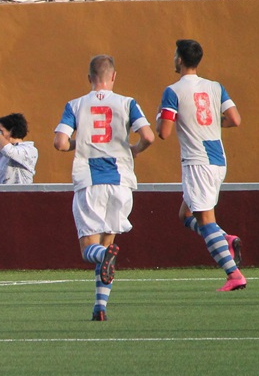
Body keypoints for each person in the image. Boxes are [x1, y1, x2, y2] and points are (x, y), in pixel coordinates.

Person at [54, 55, 154, 321]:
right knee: (108, 247)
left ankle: (104, 260)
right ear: (114, 77)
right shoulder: (127, 103)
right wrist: (133, 150)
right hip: (121, 183)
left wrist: (81, 142)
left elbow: (60, 143)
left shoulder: (75, 105)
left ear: (89, 78)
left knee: (91, 250)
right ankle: (100, 308)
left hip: (90, 182)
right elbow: (148, 136)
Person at [155, 39, 246, 292]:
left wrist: (160, 120)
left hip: (197, 162)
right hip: (218, 160)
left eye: (175, 55)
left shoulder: (173, 91)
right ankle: (225, 238)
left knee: (206, 222)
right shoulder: (216, 86)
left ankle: (234, 274)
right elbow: (235, 119)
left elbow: (163, 132)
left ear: (180, 60)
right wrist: (212, 125)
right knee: (186, 214)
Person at [0, 113, 38, 184]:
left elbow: (9, 151)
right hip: (0, 193)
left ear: (12, 130)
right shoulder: (2, 150)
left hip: (19, 193)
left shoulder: (28, 149)